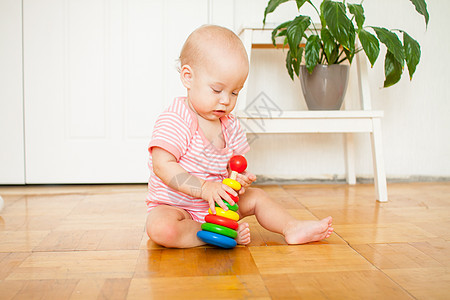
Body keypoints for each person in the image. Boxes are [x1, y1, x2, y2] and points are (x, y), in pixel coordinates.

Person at [145, 24, 333, 248]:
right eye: (217, 90)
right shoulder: (176, 118)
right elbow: (162, 165)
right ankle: (213, 235)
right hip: (176, 207)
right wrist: (204, 188)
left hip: (219, 206)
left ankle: (291, 227)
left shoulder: (230, 124)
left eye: (235, 92)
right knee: (160, 228)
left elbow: (232, 168)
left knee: (257, 197)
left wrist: (238, 179)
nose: (226, 100)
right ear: (188, 77)